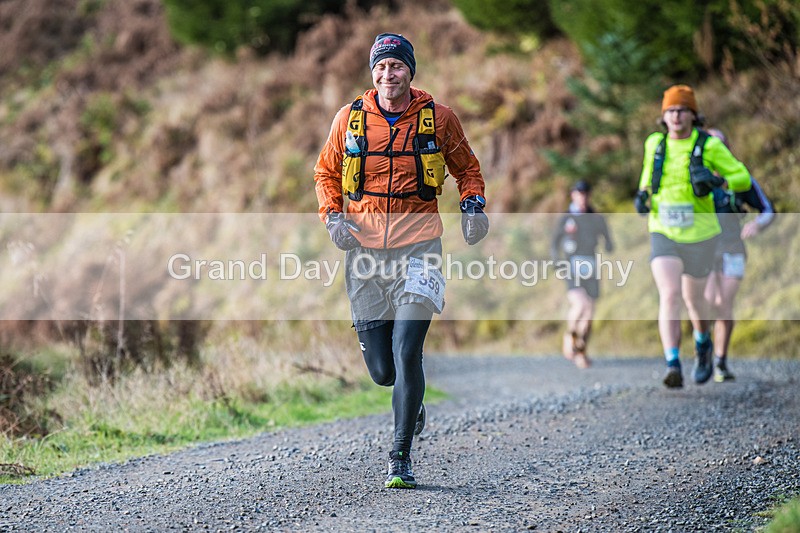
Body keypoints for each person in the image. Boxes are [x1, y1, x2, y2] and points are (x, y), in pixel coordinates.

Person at [313, 33, 488, 488]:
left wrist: (473, 204)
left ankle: (400, 456)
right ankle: (413, 402)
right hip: (365, 253)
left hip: (420, 248)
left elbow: (467, 168)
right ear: (373, 73)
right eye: (381, 67)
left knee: (408, 350)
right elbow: (326, 173)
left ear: (411, 70)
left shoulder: (438, 118)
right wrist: (333, 217)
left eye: (397, 66)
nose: (389, 75)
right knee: (384, 371)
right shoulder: (349, 119)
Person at [634, 84, 752, 388]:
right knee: (670, 294)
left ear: (692, 114)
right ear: (663, 116)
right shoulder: (655, 143)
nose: (675, 116)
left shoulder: (709, 145)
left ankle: (702, 342)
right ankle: (672, 362)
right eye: (670, 110)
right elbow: (648, 177)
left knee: (694, 299)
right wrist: (642, 195)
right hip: (663, 229)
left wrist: (716, 181)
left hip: (701, 233)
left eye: (681, 110)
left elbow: (742, 177)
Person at [703, 128, 775, 382]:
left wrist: (757, 224)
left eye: (720, 145)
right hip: (702, 249)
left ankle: (721, 361)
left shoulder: (740, 178)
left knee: (724, 304)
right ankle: (704, 347)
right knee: (707, 301)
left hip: (733, 248)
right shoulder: (694, 180)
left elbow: (768, 210)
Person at [550, 180, 613, 369]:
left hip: (590, 265)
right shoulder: (566, 218)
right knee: (580, 304)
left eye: (586, 194)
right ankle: (570, 336)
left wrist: (609, 245)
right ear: (573, 195)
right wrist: (556, 260)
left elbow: (608, 239)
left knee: (589, 312)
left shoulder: (596, 217)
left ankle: (581, 350)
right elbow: (554, 242)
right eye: (579, 194)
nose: (583, 197)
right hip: (572, 265)